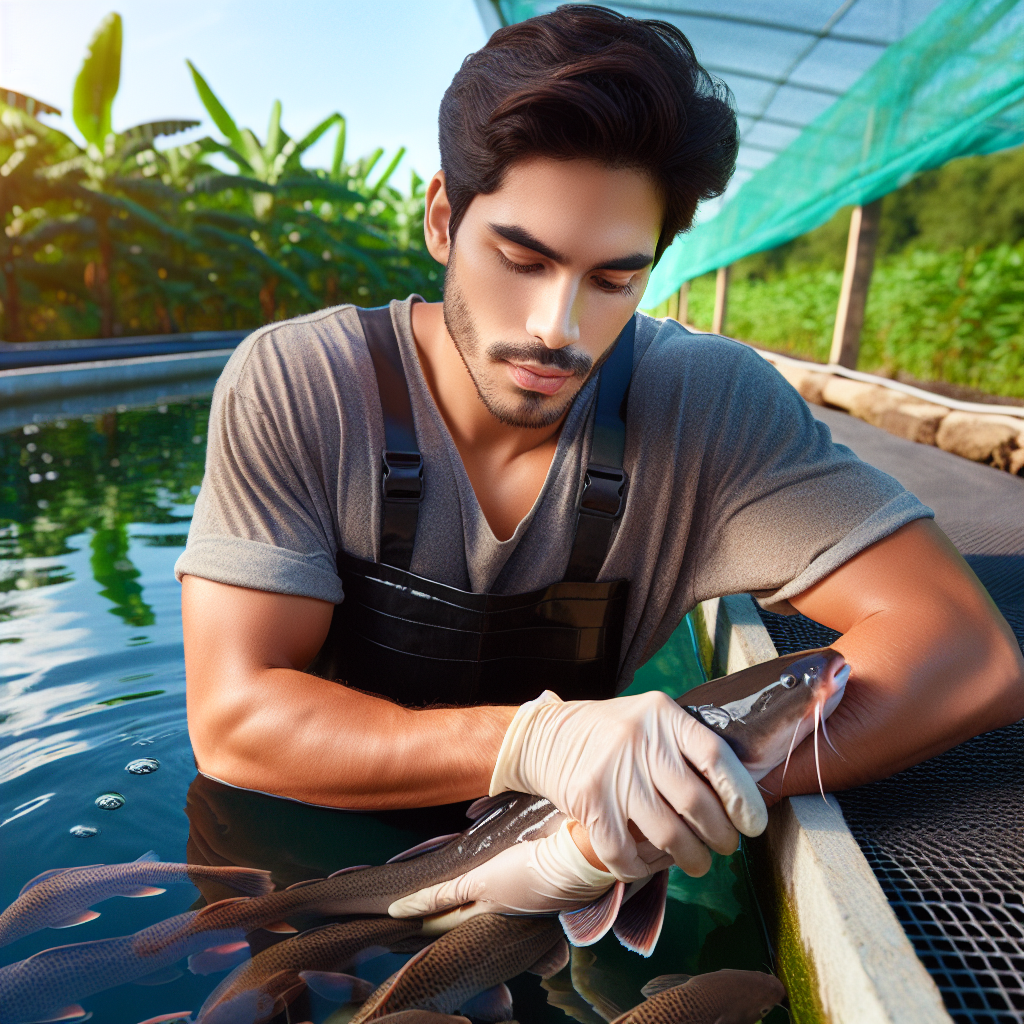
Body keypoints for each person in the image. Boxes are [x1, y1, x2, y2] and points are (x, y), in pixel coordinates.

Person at [176, 6, 1024, 921]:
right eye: (520, 257)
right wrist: (543, 739)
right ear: (440, 219)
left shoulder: (709, 406)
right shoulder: (299, 383)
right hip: (291, 861)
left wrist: (625, 817)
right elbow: (235, 721)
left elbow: (966, 653)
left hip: (551, 886)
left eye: (614, 279)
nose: (558, 328)